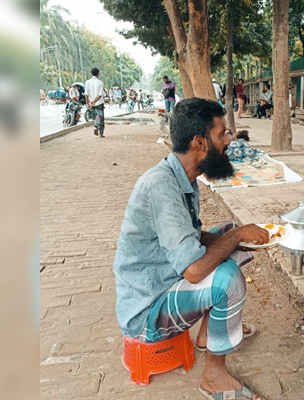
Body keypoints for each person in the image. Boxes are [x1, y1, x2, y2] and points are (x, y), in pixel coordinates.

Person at [114, 97, 267, 400]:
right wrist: (236, 237)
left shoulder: (183, 176)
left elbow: (193, 237)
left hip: (164, 281)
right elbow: (195, 271)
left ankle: (211, 334)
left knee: (227, 234)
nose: (228, 139)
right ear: (200, 141)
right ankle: (214, 377)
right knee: (227, 278)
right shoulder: (162, 186)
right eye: (222, 133)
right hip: (146, 313)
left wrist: (236, 237)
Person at [85, 67, 105, 137]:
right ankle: (101, 133)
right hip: (99, 103)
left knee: (95, 116)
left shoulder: (87, 82)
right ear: (98, 74)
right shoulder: (100, 82)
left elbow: (86, 94)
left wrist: (89, 103)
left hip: (91, 103)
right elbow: (100, 94)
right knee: (101, 118)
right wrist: (94, 101)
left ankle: (96, 126)